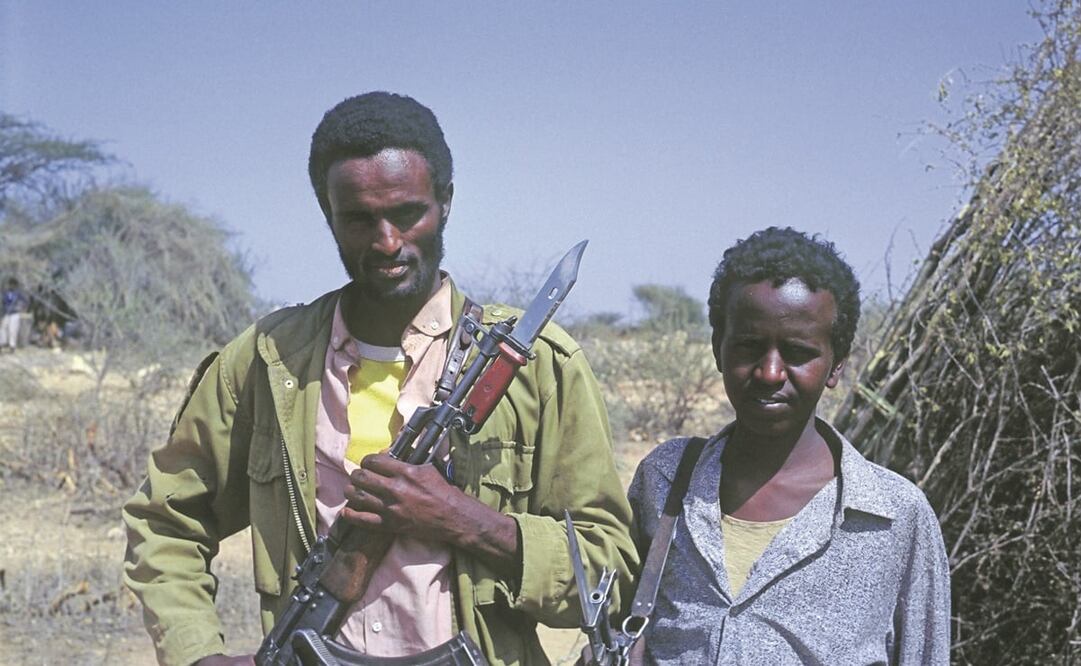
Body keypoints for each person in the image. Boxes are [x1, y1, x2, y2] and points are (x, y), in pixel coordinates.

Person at [123, 92, 637, 666]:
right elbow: (165, 521)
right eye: (361, 219)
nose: (387, 242)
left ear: (446, 202)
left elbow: (609, 570)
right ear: (329, 217)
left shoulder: (535, 365)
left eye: (408, 213)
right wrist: (199, 655)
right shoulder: (268, 361)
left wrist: (471, 523)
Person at [628, 227, 951, 664]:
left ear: (836, 364)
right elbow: (618, 626)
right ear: (717, 349)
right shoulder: (665, 480)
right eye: (748, 346)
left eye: (798, 352)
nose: (770, 372)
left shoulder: (894, 518)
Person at [1, 278, 30, 352]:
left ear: (15, 285)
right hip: (6, 313)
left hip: (15, 313)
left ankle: (12, 345)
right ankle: (2, 343)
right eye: (10, 284)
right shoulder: (6, 292)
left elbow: (26, 301)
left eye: (13, 285)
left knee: (12, 330)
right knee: (3, 328)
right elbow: (3, 302)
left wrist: (21, 307)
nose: (11, 286)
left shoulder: (18, 293)